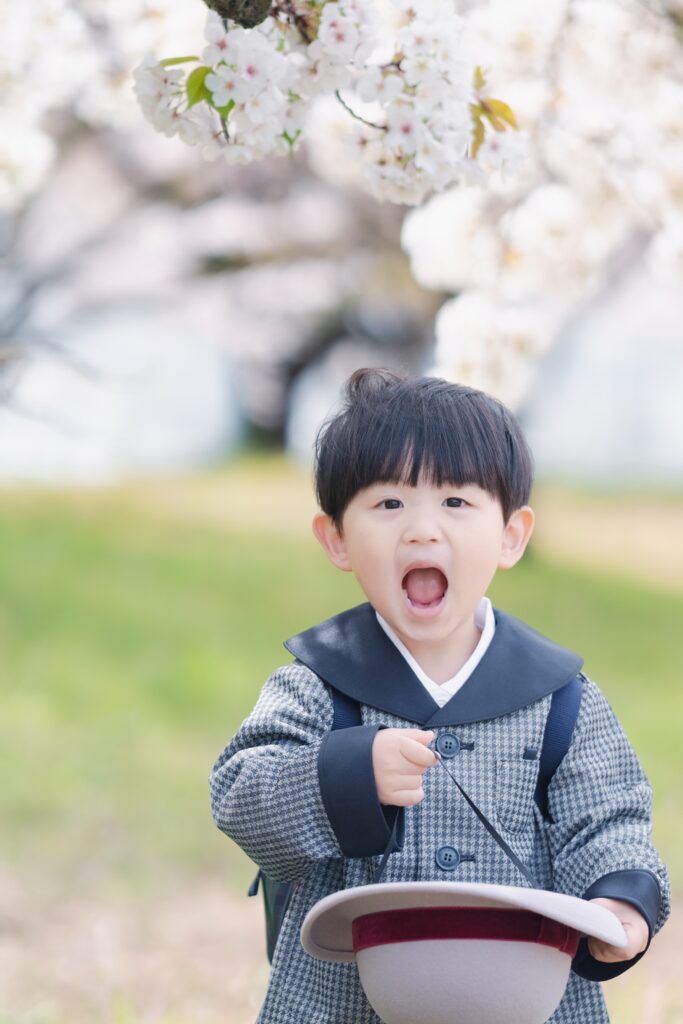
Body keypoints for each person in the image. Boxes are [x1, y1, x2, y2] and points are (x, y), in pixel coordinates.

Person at [209, 368, 670, 1023]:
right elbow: (240, 794)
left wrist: (619, 900)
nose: (423, 531)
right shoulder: (319, 682)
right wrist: (346, 774)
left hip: (524, 991)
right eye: (389, 504)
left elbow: (606, 822)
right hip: (342, 1001)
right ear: (336, 538)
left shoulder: (560, 697)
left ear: (511, 534)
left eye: (455, 503)